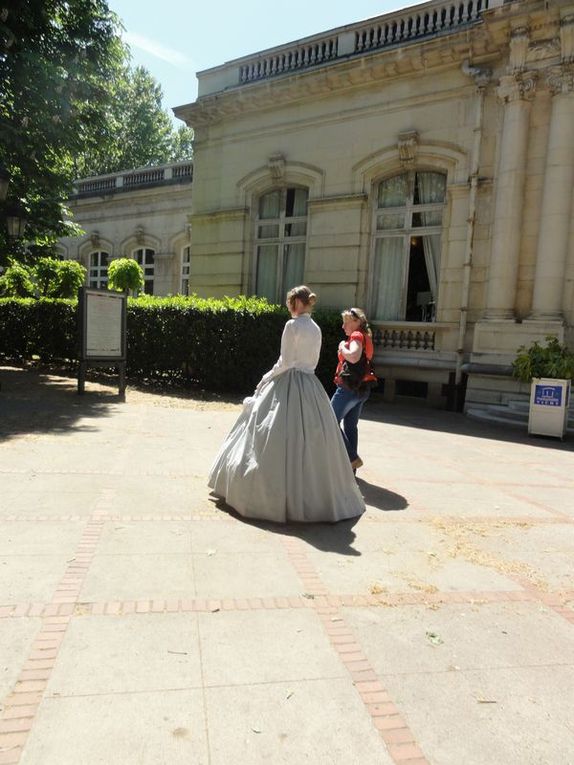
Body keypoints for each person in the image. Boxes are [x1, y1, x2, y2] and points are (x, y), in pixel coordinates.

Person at [208, 286, 366, 523]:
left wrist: (265, 378)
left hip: (289, 380)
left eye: (289, 303)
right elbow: (310, 361)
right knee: (313, 438)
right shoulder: (315, 327)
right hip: (310, 385)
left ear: (295, 303)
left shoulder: (292, 326)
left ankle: (263, 495)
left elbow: (285, 361)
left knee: (269, 433)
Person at [331, 307, 376, 472]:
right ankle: (351, 469)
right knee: (351, 426)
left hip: (348, 387)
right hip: (362, 388)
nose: (343, 327)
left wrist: (342, 347)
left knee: (329, 420)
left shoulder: (356, 335)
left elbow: (354, 356)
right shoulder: (366, 337)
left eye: (346, 323)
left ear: (357, 322)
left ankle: (351, 458)